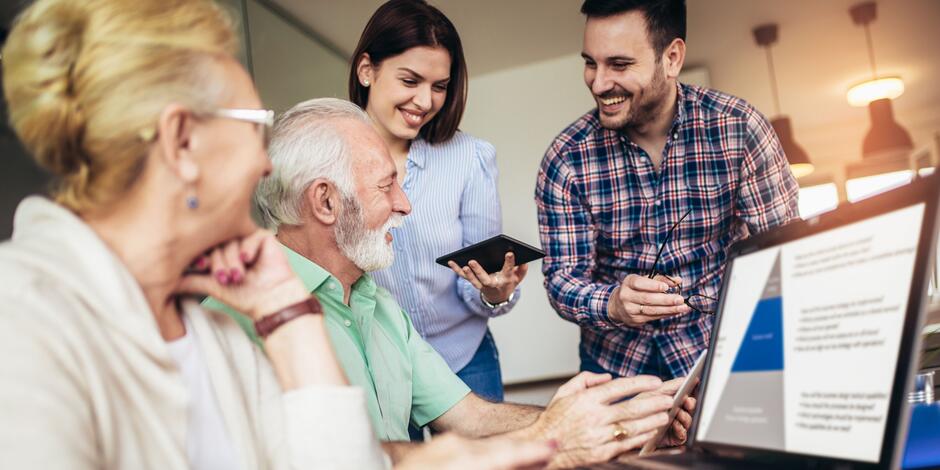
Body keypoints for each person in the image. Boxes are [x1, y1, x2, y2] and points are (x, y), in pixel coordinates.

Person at [0, 1, 556, 469]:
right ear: (182, 142)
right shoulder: (23, 315)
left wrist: (287, 314)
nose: (266, 166)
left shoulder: (210, 328)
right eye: (254, 128)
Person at [207, 97, 694, 468]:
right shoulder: (229, 322)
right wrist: (553, 437)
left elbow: (470, 416)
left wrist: (617, 425)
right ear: (326, 202)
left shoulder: (380, 305)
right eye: (386, 186)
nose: (405, 205)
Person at [536, 0, 800, 380]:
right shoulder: (565, 159)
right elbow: (563, 279)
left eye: (619, 64)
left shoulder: (739, 129)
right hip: (614, 366)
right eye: (591, 63)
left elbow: (784, 253)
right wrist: (613, 303)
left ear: (672, 58)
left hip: (722, 347)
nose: (598, 83)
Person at [349, 0, 523, 403]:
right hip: (380, 364)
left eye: (439, 86)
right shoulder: (331, 160)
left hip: (464, 356)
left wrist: (494, 292)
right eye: (410, 81)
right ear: (366, 70)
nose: (425, 101)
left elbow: (476, 279)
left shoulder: (471, 158)